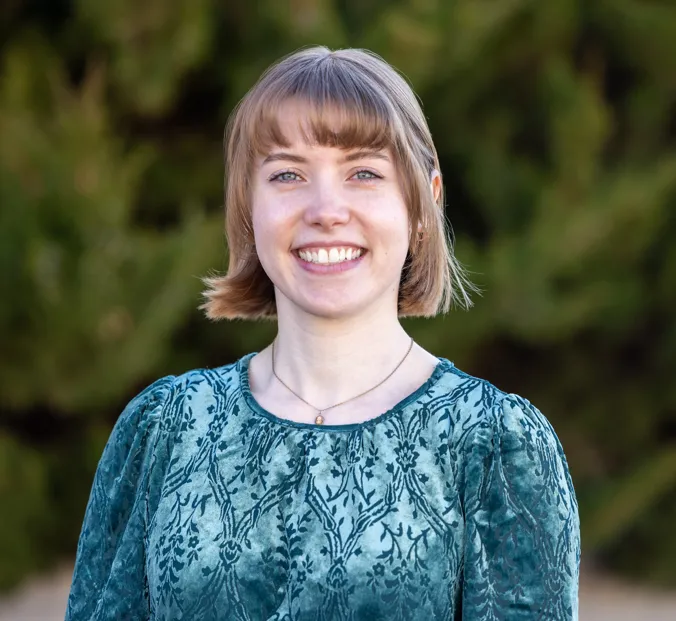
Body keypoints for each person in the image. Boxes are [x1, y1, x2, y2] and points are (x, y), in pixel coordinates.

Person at [65, 46, 580, 620]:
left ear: (422, 203)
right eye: (288, 174)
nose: (325, 209)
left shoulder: (493, 444)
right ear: (246, 205)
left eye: (364, 173)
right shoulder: (164, 428)